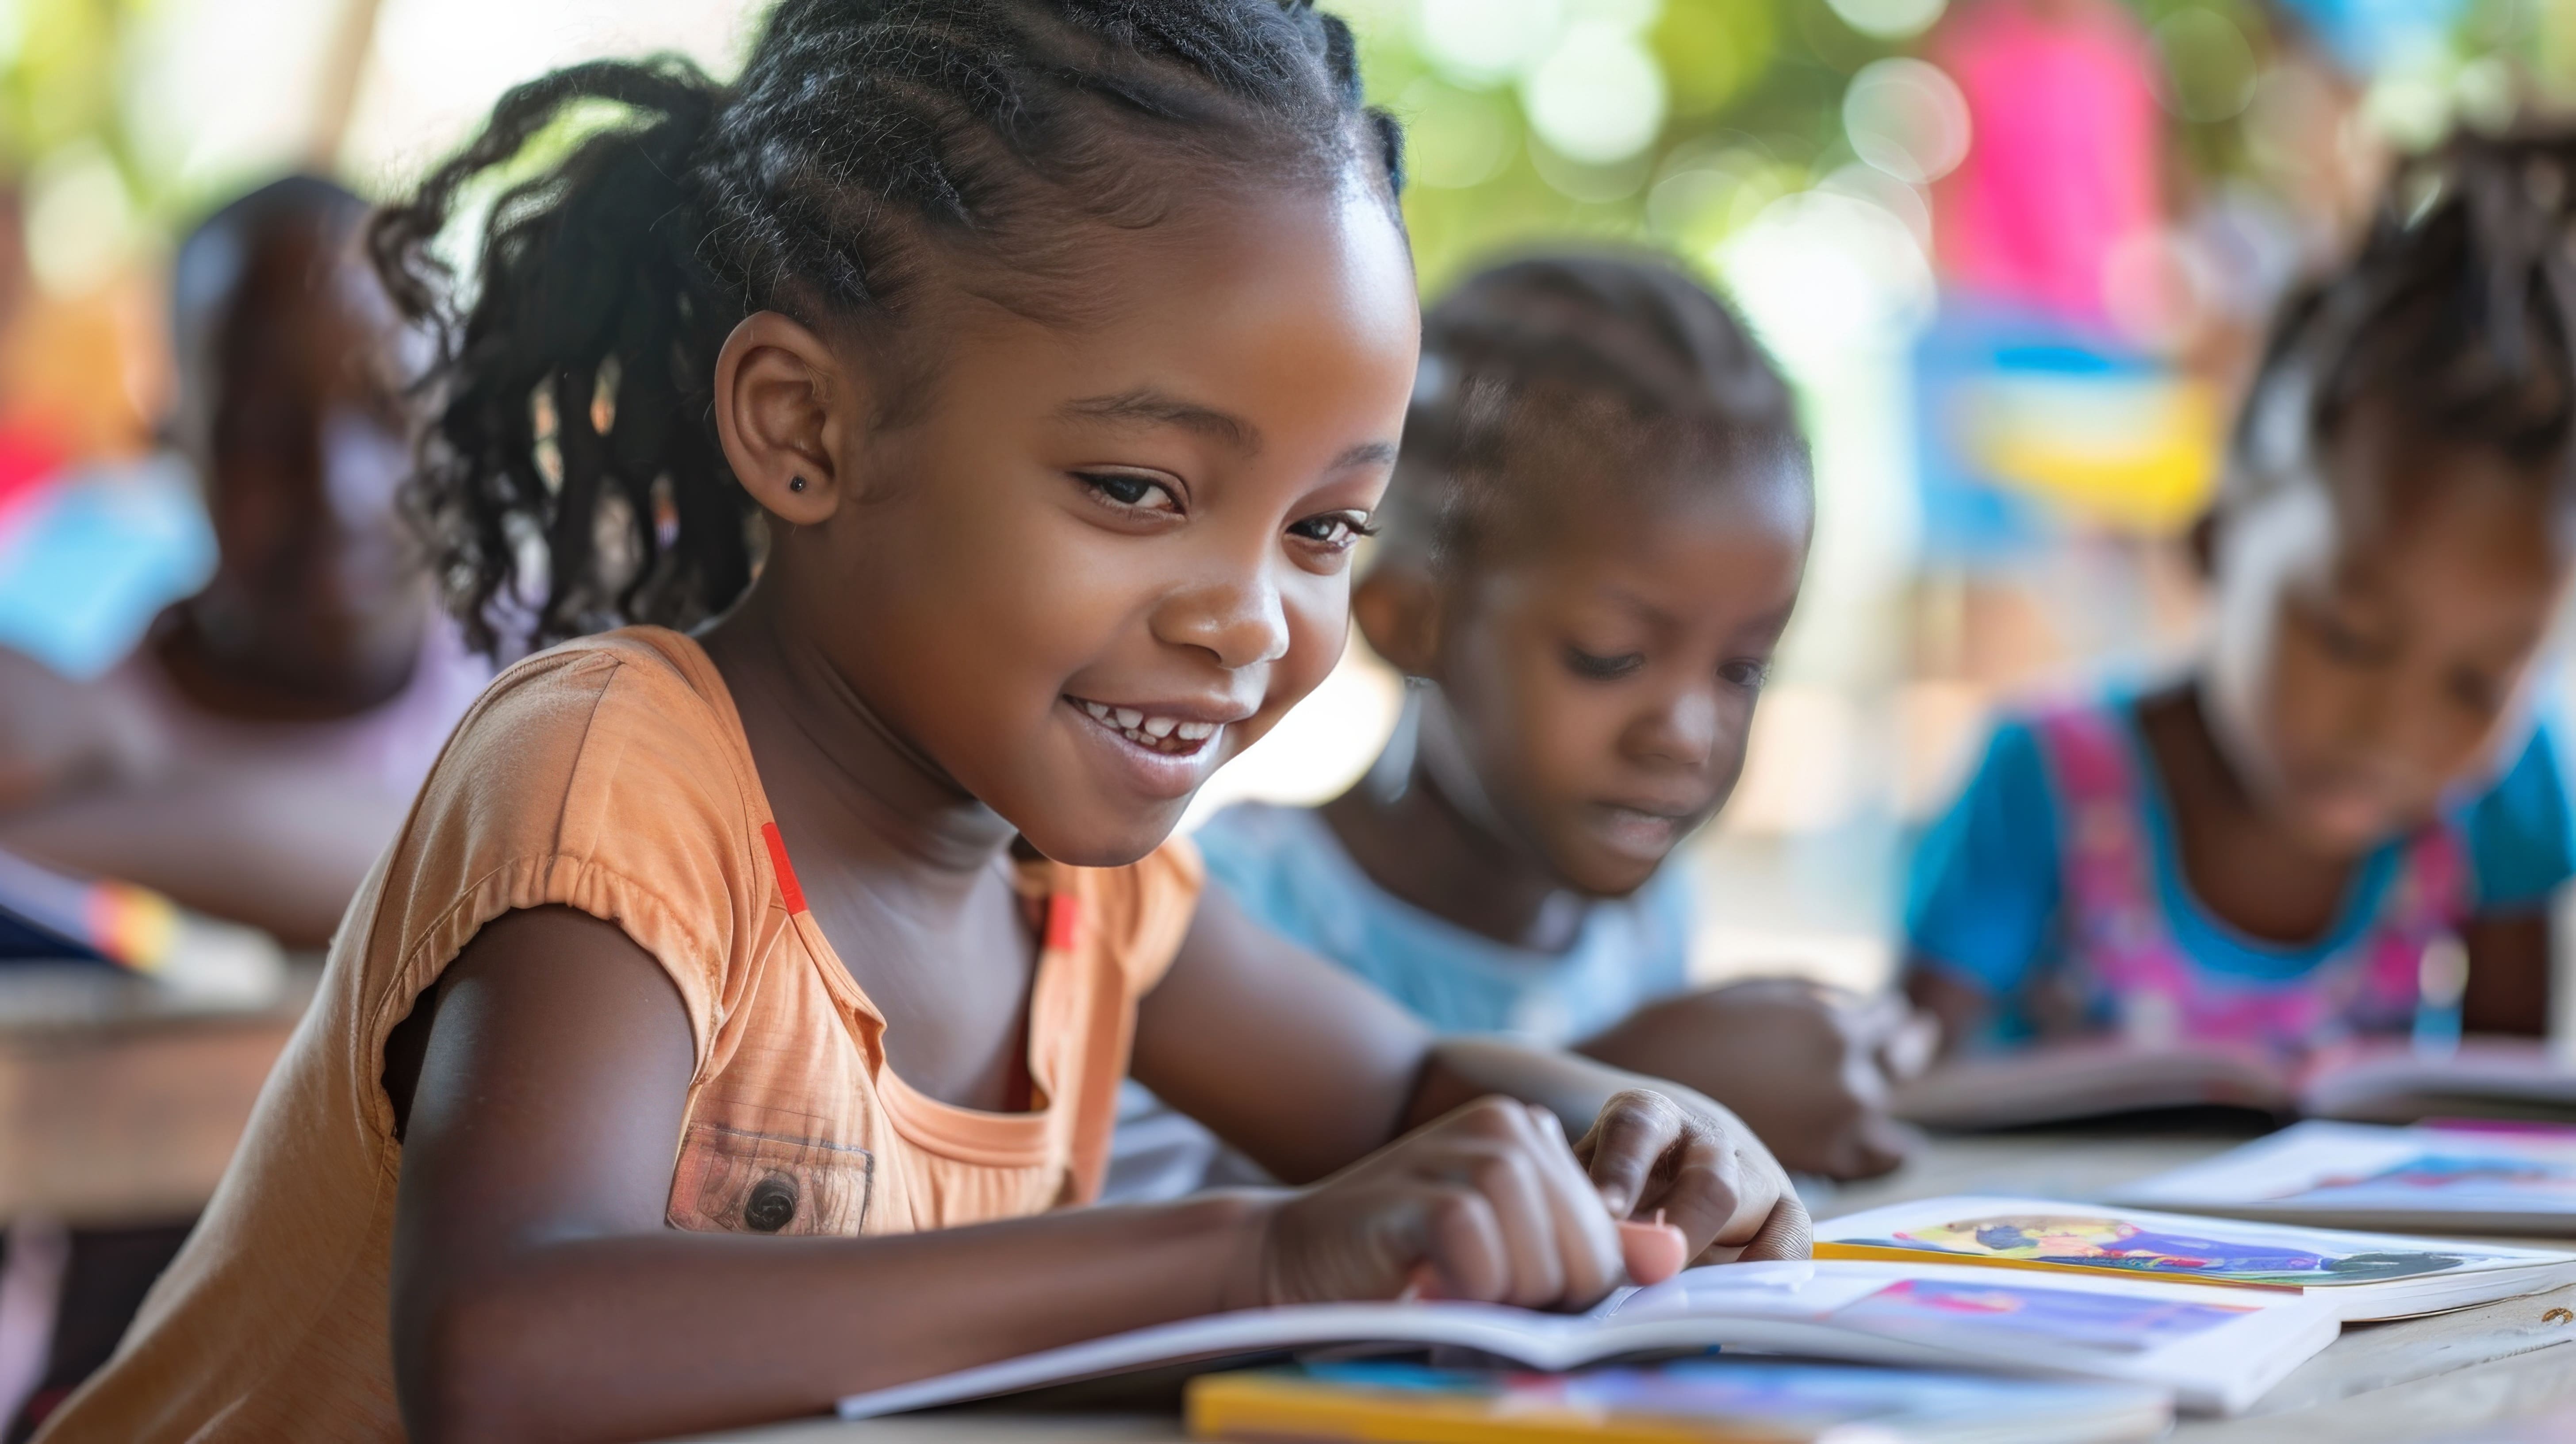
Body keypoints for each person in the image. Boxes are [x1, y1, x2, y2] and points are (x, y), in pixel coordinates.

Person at [35, 7, 1806, 1442]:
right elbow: (510, 1350)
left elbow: (1399, 1087)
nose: (1251, 616)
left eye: (1325, 528)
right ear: (804, 429)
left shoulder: (1081, 898)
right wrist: (1253, 1258)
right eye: (1137, 488)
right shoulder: (620, 783)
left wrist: (1626, 1124)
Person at [1109, 253, 1927, 1200]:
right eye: (1609, 657)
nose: (1686, 734)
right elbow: (1214, 1234)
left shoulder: (1639, 922)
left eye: (1743, 669)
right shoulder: (1224, 915)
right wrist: (1643, 1080)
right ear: (1410, 620)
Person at [1905, 128, 2576, 1061]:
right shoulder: (2042, 782)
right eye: (2347, 637)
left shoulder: (2506, 795)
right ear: (2214, 539)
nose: (2394, 726)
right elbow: (1905, 1095)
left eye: (2477, 685)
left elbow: (2498, 1114)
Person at [0, 175, 488, 949]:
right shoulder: (66, 725)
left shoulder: (552, 653)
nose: (335, 487)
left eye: (387, 411)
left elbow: (488, 872)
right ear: (173, 443)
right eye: (263, 429)